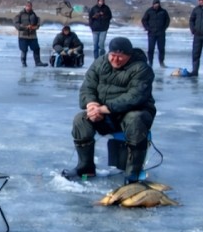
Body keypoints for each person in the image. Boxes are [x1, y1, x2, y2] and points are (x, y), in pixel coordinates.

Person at [64, 37, 156, 184]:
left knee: (135, 119)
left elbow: (134, 97)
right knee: (80, 120)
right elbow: (88, 87)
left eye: (121, 56)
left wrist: (105, 109)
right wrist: (92, 106)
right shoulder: (100, 62)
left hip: (133, 114)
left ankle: (133, 173)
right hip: (104, 114)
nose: (116, 59)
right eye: (113, 55)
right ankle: (85, 167)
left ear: (129, 55)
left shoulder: (142, 69)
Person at [140, 0, 170, 68]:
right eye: (155, 4)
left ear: (159, 4)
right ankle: (150, 62)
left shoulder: (163, 12)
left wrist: (164, 28)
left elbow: (167, 20)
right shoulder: (149, 11)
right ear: (153, 4)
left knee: (161, 49)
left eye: (157, 4)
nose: (156, 5)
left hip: (161, 33)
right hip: (151, 33)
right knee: (151, 49)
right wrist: (147, 28)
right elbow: (144, 20)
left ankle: (161, 62)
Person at [14, 1, 44, 67]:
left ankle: (38, 62)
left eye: (30, 6)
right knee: (24, 50)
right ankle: (24, 63)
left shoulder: (34, 14)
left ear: (31, 7)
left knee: (36, 49)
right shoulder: (20, 14)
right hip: (23, 36)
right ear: (25, 6)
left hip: (32, 36)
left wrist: (35, 27)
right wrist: (25, 27)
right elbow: (16, 25)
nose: (28, 7)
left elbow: (38, 22)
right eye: (27, 6)